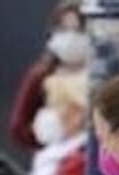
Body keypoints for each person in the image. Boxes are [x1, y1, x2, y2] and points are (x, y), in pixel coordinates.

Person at [8, 2, 88, 151]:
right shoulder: (41, 74)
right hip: (53, 157)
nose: (71, 37)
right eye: (63, 30)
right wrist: (44, 132)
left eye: (79, 30)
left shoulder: (103, 73)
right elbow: (18, 127)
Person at [28, 71, 89, 175]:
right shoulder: (57, 150)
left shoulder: (80, 154)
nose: (47, 113)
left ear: (76, 114)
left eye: (54, 105)